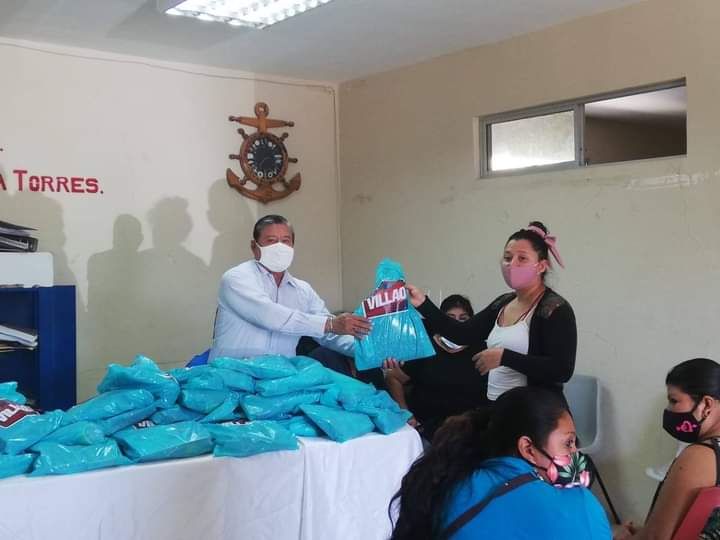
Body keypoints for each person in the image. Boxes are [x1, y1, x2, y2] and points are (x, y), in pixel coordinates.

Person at [389, 386, 611, 539]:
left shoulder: (448, 480)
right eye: (568, 443)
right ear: (528, 449)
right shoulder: (580, 505)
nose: (575, 453)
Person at [406, 221, 576, 402]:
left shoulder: (555, 309)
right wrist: (423, 303)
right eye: (508, 258)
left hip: (534, 410)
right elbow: (462, 333)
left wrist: (505, 357)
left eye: (522, 258)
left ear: (541, 266)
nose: (512, 264)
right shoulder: (503, 303)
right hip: (496, 406)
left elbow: (562, 370)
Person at [209, 215, 371, 360]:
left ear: (292, 246)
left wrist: (374, 354)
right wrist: (330, 324)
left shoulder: (303, 290)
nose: (279, 247)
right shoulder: (236, 278)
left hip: (283, 377)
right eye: (271, 240)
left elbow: (330, 335)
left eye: (285, 241)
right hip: (233, 374)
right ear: (254, 246)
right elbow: (270, 316)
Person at [615, 358, 720, 539]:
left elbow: (656, 538)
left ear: (706, 405)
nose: (669, 409)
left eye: (674, 400)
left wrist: (623, 537)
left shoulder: (700, 456)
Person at [383, 294, 487, 441]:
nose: (456, 324)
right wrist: (406, 414)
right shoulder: (426, 348)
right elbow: (393, 377)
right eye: (450, 318)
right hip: (427, 431)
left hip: (470, 433)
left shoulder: (482, 349)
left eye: (463, 319)